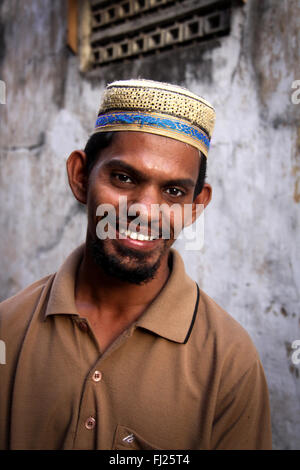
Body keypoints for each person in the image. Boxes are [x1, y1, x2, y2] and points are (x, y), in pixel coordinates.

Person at [0, 79, 272, 450]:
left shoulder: (229, 362)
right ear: (81, 177)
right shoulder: (9, 330)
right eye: (124, 178)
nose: (145, 209)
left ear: (195, 206)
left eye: (173, 191)